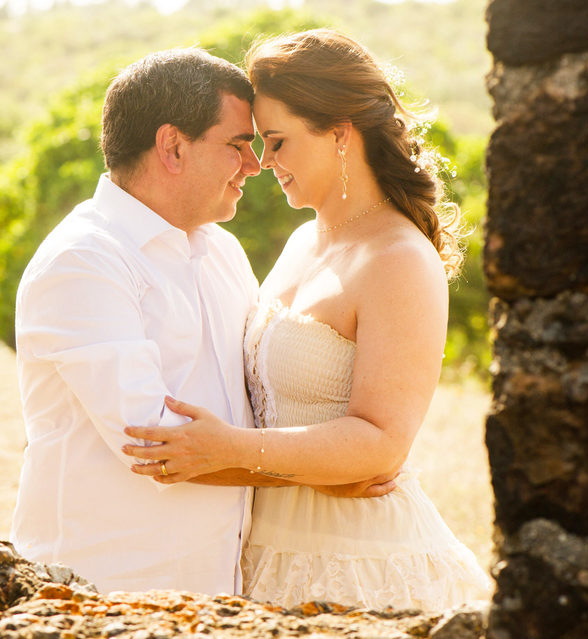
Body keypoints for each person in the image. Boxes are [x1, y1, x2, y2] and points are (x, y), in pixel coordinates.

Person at [122, 30, 491, 611]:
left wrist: (232, 449)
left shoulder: (398, 258)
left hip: (359, 560)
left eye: (277, 141)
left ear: (340, 134)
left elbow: (381, 445)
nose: (263, 163)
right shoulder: (301, 241)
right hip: (261, 551)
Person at [10, 47, 393, 596]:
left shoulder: (222, 250)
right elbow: (160, 448)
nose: (256, 165)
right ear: (173, 147)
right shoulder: (83, 262)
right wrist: (326, 473)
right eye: (238, 145)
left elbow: (253, 405)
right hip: (105, 589)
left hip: (220, 591)